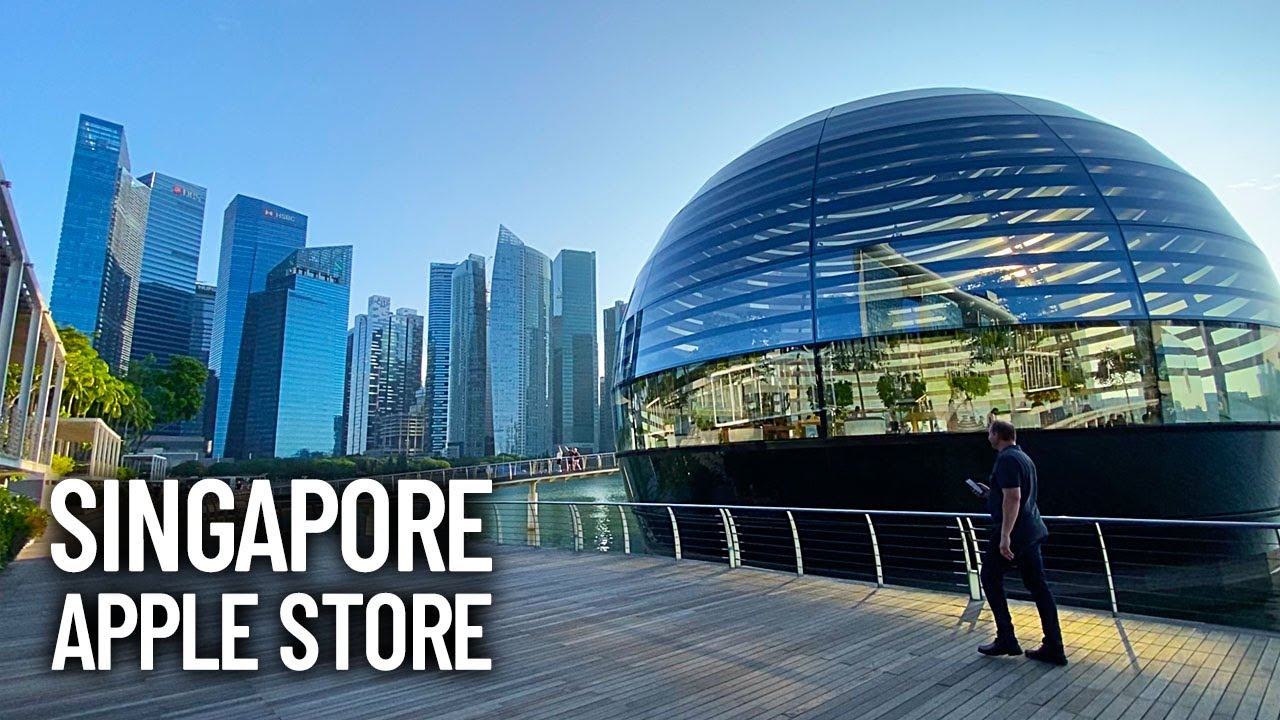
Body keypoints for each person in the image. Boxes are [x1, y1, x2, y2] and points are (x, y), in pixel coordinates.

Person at [972, 420, 1067, 666]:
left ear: (997, 435)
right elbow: (1013, 494)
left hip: (1015, 532)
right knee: (1038, 587)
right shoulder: (1023, 458)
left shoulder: (1006, 460)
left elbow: (1013, 498)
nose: (987, 437)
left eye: (989, 433)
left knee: (990, 577)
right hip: (1031, 530)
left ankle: (1006, 637)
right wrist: (990, 494)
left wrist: (1005, 536)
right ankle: (1054, 645)